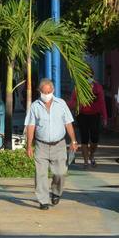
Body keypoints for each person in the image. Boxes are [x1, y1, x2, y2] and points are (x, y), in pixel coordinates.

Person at [25, 79, 80, 210]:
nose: (47, 94)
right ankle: (43, 200)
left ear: (53, 91)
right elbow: (31, 126)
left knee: (60, 172)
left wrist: (73, 140)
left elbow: (68, 123)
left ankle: (56, 192)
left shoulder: (61, 104)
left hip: (59, 145)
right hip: (41, 145)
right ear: (40, 92)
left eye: (49, 92)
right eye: (44, 92)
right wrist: (29, 146)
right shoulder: (35, 106)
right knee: (41, 175)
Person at [67, 74, 107, 168]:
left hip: (95, 115)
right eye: (86, 76)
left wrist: (105, 117)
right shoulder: (78, 87)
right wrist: (71, 105)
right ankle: (86, 161)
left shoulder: (98, 87)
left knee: (95, 139)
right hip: (82, 115)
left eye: (90, 76)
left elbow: (102, 102)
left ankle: (91, 155)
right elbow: (73, 101)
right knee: (84, 139)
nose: (88, 78)